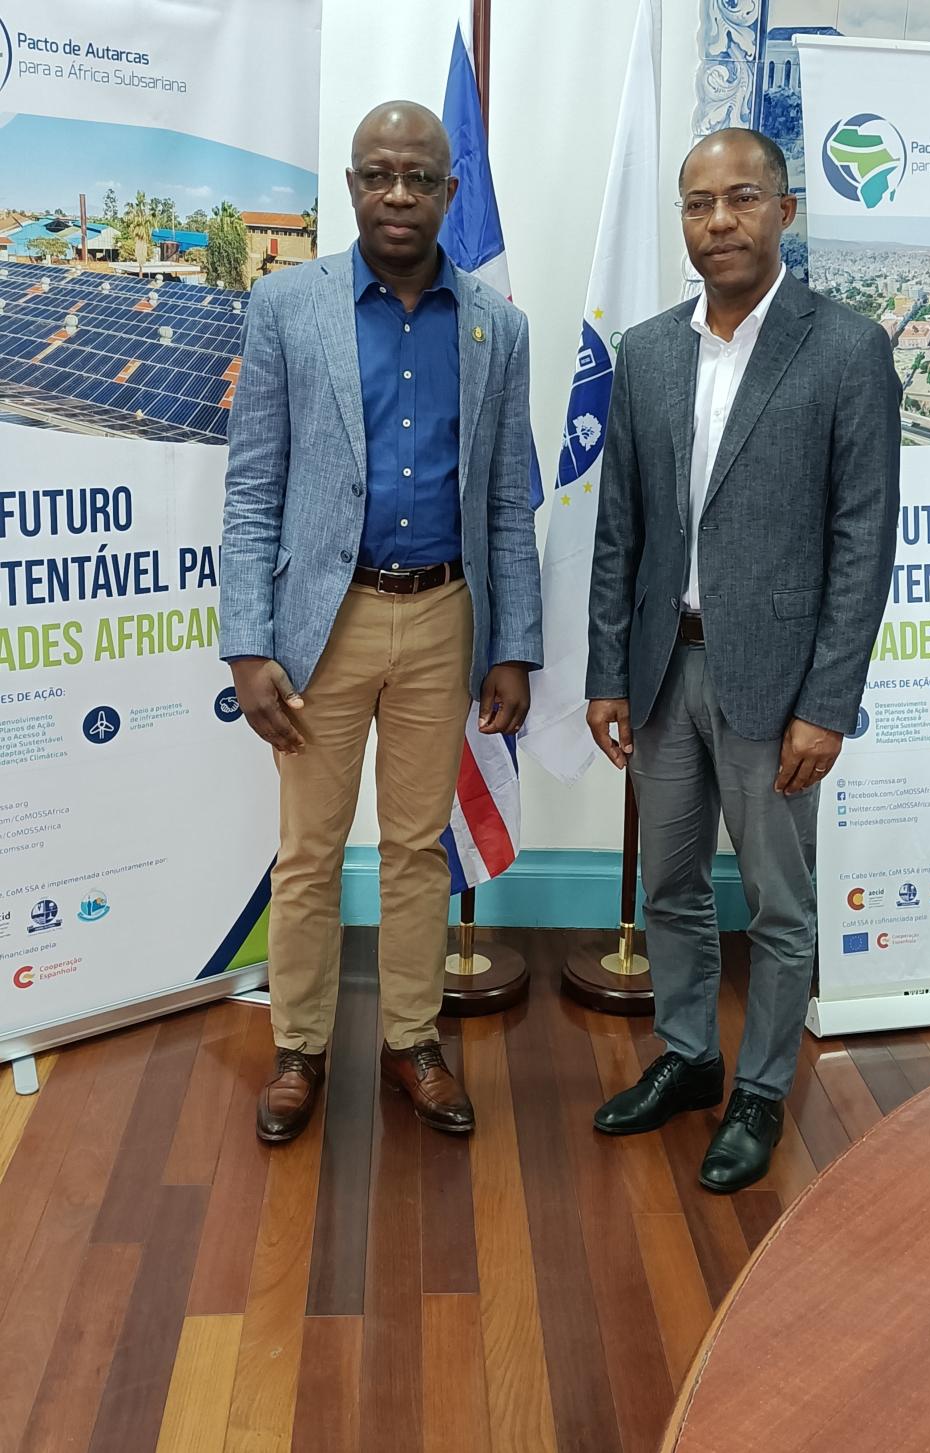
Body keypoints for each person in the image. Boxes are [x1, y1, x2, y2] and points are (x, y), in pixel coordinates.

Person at [219, 101, 542, 1143]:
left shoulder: (498, 326)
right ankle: (298, 1047)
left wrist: (514, 647)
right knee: (309, 853)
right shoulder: (286, 306)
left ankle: (413, 1038)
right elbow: (253, 486)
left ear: (451, 190)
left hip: (445, 617)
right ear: (353, 183)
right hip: (324, 623)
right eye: (377, 174)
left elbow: (506, 500)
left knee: (414, 849)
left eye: (419, 177)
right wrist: (247, 643)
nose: (398, 194)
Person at [585, 128, 900, 1193]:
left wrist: (829, 702)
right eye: (697, 203)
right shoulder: (646, 353)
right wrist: (606, 671)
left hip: (777, 687)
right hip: (662, 673)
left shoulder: (845, 349)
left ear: (784, 210)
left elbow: (863, 539)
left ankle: (761, 1087)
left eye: (741, 198)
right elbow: (619, 530)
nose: (717, 220)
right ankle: (688, 1056)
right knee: (670, 885)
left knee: (777, 903)